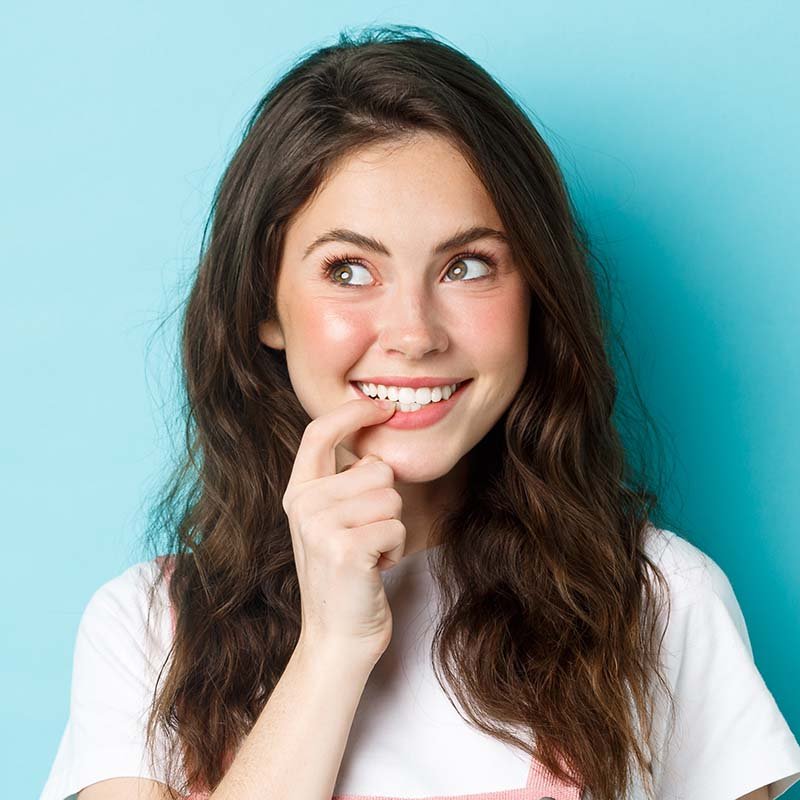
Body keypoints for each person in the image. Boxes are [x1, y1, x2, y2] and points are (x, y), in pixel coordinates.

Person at [40, 24, 800, 800]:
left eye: (468, 266)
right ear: (264, 305)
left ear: (535, 294)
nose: (414, 334)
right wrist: (331, 649)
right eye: (349, 269)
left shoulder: (661, 603)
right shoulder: (147, 631)